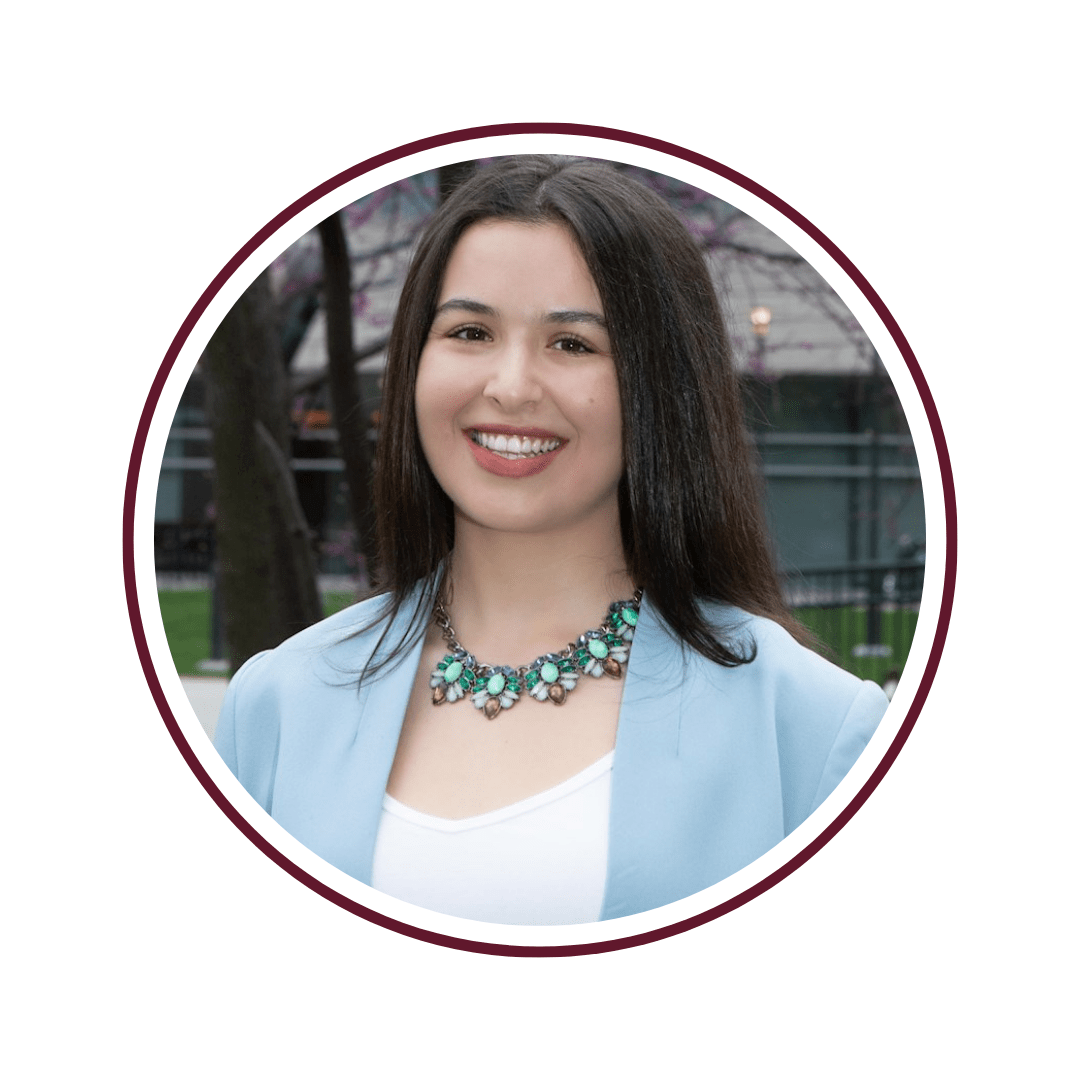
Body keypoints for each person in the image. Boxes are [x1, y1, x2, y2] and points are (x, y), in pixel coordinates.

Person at [215, 156, 889, 926]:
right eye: (470, 331)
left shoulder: (815, 733)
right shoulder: (275, 708)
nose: (509, 385)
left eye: (572, 344)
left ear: (659, 388)